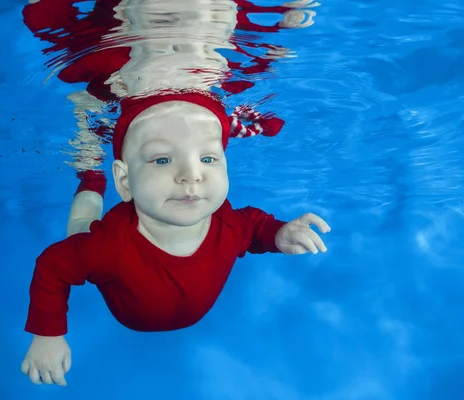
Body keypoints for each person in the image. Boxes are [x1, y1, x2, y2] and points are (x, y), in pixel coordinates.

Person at [20, 0, 326, 388]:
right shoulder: (107, 249)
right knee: (82, 225)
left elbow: (251, 229)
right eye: (162, 160)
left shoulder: (223, 223)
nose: (191, 176)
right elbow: (53, 268)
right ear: (126, 180)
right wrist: (48, 333)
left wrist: (278, 234)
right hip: (110, 263)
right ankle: (92, 176)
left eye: (209, 158)